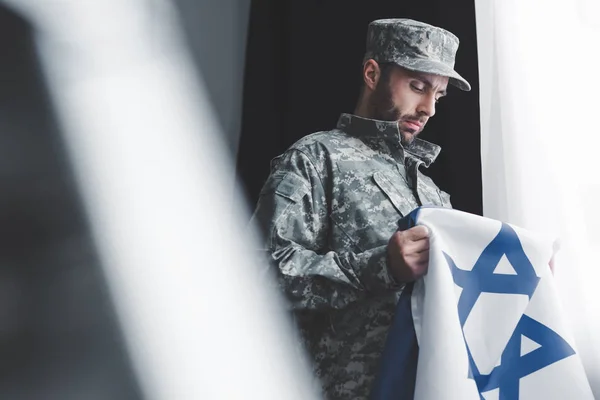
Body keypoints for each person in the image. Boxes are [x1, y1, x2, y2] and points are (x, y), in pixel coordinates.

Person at [250, 18, 471, 399]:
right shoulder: (316, 158)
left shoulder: (435, 196)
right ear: (372, 73)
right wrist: (381, 267)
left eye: (439, 95)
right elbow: (258, 273)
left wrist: (514, 273)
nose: (428, 108)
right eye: (418, 86)